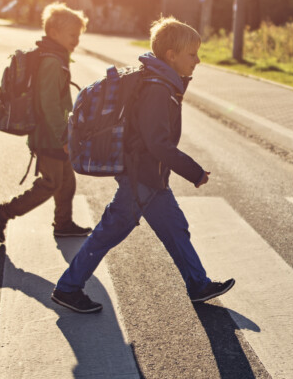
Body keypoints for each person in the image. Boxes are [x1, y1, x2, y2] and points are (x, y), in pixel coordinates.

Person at [50, 16, 234, 314]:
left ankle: (198, 284)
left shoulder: (161, 82)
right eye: (192, 54)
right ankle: (68, 288)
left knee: (176, 229)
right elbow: (157, 143)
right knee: (108, 233)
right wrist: (195, 172)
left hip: (150, 177)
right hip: (141, 176)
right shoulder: (158, 89)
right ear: (171, 56)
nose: (198, 60)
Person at [0, 2, 93, 243]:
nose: (76, 40)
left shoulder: (55, 57)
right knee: (50, 183)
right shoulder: (52, 62)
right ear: (54, 33)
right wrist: (62, 137)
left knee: (67, 182)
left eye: (78, 36)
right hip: (49, 136)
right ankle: (4, 212)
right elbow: (48, 103)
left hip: (55, 133)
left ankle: (64, 224)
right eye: (72, 35)